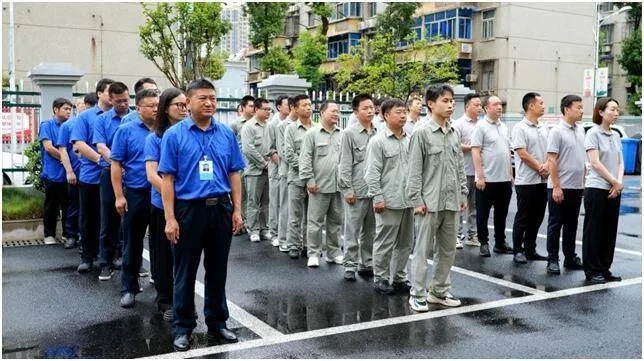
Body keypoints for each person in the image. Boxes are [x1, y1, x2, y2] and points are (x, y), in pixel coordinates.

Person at [158, 79, 245, 351]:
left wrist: (237, 209)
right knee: (184, 271)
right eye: (203, 98)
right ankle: (183, 326)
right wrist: (170, 218)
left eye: (213, 98)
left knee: (217, 270)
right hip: (188, 210)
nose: (209, 103)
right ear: (189, 102)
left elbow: (234, 173)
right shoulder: (174, 135)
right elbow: (168, 179)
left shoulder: (226, 134)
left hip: (220, 207)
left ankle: (218, 323)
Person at [406, 84, 467, 311]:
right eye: (445, 100)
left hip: (451, 202)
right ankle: (418, 293)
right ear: (430, 104)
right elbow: (413, 171)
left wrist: (463, 193)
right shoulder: (421, 132)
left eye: (451, 100)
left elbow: (459, 166)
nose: (450, 104)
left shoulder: (453, 132)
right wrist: (416, 200)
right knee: (422, 250)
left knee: (448, 249)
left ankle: (439, 291)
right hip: (428, 203)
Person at [111, 89, 159, 308]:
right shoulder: (126, 130)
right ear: (138, 108)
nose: (156, 109)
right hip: (136, 193)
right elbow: (116, 165)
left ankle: (161, 283)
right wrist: (119, 196)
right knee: (133, 241)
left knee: (161, 242)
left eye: (158, 105)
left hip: (160, 194)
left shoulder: (165, 131)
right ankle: (129, 287)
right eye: (150, 105)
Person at [145, 88, 188, 320]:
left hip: (189, 205)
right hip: (162, 205)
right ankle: (165, 301)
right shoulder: (155, 138)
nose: (183, 109)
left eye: (185, 105)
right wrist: (174, 196)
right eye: (177, 105)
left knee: (185, 255)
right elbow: (152, 175)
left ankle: (183, 300)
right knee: (163, 255)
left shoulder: (190, 133)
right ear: (165, 108)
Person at [364, 98, 413, 295]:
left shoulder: (410, 139)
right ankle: (381, 278)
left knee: (405, 243)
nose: (403, 115)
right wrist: (377, 197)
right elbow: (371, 173)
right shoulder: (378, 142)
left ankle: (400, 278)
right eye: (398, 112)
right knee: (384, 242)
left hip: (408, 201)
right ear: (386, 115)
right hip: (388, 201)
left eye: (404, 112)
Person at [70, 78, 114, 273]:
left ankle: (113, 255)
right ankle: (87, 255)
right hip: (92, 175)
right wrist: (100, 159)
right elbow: (79, 143)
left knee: (114, 219)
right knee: (89, 217)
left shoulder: (122, 117)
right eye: (109, 93)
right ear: (99, 94)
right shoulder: (86, 117)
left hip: (116, 177)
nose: (113, 98)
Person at [582, 97, 624, 284]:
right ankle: (592, 270)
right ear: (601, 112)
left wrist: (618, 183)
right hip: (597, 188)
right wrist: (614, 181)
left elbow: (620, 162)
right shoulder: (593, 133)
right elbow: (595, 163)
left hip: (614, 189)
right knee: (594, 231)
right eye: (612, 109)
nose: (616, 113)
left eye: (617, 110)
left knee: (609, 231)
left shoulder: (615, 135)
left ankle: (605, 268)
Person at [93, 81, 131, 281]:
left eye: (126, 100)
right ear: (110, 99)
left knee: (132, 221)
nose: (123, 104)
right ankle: (106, 263)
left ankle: (130, 262)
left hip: (133, 176)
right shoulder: (103, 120)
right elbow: (100, 146)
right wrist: (117, 161)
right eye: (118, 102)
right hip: (109, 173)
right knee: (108, 219)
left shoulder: (136, 118)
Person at [298, 101, 344, 267]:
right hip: (318, 186)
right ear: (322, 112)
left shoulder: (342, 134)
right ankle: (314, 253)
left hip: (338, 187)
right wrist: (309, 180)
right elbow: (305, 159)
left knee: (335, 222)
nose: (336, 114)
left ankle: (334, 252)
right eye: (332, 111)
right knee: (315, 222)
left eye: (337, 112)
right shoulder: (312, 134)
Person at [545, 95, 586, 274]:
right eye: (578, 107)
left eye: (582, 107)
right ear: (567, 109)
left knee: (572, 224)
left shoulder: (581, 130)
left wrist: (583, 183)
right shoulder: (556, 131)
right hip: (560, 187)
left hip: (576, 187)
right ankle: (552, 259)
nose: (581, 110)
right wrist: (556, 186)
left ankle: (570, 257)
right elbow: (552, 160)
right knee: (555, 224)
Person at [339, 93, 377, 281]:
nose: (370, 111)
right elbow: (344, 163)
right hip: (357, 190)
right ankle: (349, 265)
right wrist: (347, 189)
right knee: (352, 230)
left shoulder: (379, 131)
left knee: (370, 231)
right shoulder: (349, 134)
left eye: (372, 107)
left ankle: (367, 262)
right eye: (365, 108)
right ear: (356, 111)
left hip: (374, 191)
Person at [471, 95, 514, 257]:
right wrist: (480, 176)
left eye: (500, 104)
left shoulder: (503, 126)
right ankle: (483, 242)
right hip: (487, 179)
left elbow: (506, 152)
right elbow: (475, 150)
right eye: (495, 104)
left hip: (503, 179)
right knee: (483, 213)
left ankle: (500, 242)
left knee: (501, 213)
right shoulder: (481, 126)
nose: (499, 107)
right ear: (486, 108)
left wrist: (510, 174)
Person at [511, 92, 550, 264]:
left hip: (542, 180)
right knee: (524, 216)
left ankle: (530, 249)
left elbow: (550, 152)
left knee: (538, 216)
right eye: (540, 103)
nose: (543, 106)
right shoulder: (520, 128)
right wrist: (540, 167)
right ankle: (517, 250)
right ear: (531, 106)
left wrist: (547, 166)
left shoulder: (544, 127)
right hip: (526, 180)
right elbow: (522, 153)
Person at [57, 93, 97, 249]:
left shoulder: (98, 122)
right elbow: (63, 150)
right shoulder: (68, 125)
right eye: (79, 104)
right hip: (76, 171)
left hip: (92, 173)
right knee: (74, 205)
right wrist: (69, 171)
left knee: (91, 208)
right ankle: (71, 235)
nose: (82, 107)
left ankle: (88, 238)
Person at [38, 98, 73, 245]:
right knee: (51, 205)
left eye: (70, 109)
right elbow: (49, 147)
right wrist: (64, 158)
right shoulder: (47, 125)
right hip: (52, 173)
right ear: (55, 109)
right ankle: (49, 235)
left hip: (67, 173)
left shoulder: (70, 126)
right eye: (66, 108)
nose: (69, 112)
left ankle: (67, 233)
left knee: (68, 205)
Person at [283, 94, 313, 259]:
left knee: (312, 217)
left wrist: (312, 175)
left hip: (314, 181)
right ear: (295, 108)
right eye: (304, 105)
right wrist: (306, 171)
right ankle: (294, 245)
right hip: (296, 179)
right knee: (295, 215)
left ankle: (308, 246)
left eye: (310, 105)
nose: (308, 108)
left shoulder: (316, 128)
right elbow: (289, 155)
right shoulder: (291, 129)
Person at [240, 98, 273, 242]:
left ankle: (264, 228)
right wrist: (263, 163)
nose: (267, 112)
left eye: (269, 109)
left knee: (266, 201)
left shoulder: (269, 126)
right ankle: (253, 229)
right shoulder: (249, 126)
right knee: (253, 201)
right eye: (265, 109)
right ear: (256, 110)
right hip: (254, 170)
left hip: (269, 169)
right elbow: (248, 149)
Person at [452, 93, 482, 249]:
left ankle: (472, 235)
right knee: (460, 205)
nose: (479, 108)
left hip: (477, 173)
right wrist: (473, 147)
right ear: (467, 106)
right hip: (463, 171)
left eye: (480, 105)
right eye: (476, 105)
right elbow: (455, 145)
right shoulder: (459, 124)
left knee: (474, 206)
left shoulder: (482, 124)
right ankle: (456, 235)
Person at [230, 95, 255, 234]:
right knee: (240, 196)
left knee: (253, 198)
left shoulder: (259, 123)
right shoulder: (236, 124)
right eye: (251, 106)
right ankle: (239, 223)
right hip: (240, 165)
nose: (253, 109)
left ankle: (252, 224)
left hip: (253, 165)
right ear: (243, 107)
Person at [267, 95, 290, 247]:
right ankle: (274, 232)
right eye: (287, 105)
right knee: (276, 202)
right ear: (279, 107)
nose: (289, 107)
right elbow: (271, 149)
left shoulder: (291, 122)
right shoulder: (274, 124)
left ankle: (286, 233)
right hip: (277, 169)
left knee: (287, 204)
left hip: (288, 170)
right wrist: (281, 164)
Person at [276, 97, 296, 251]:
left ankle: (297, 240)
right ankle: (283, 239)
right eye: (305, 105)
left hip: (303, 174)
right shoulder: (282, 126)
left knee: (299, 210)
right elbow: (283, 151)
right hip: (287, 172)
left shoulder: (309, 126)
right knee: (286, 206)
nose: (309, 108)